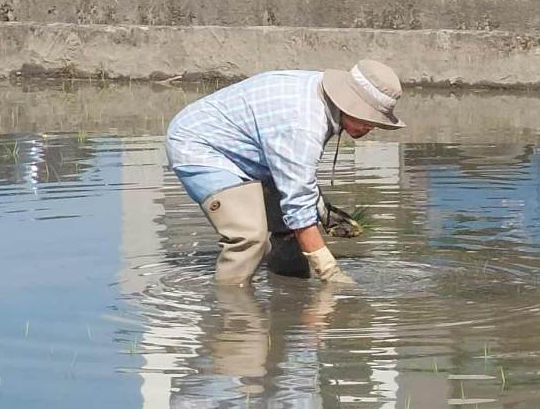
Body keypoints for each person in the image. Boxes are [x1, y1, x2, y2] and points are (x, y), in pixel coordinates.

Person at [166, 60, 406, 285]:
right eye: (366, 119)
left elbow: (297, 177)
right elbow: (297, 199)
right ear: (346, 104)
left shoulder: (321, 101)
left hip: (252, 153)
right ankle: (233, 310)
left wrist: (322, 210)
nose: (369, 128)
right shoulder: (302, 123)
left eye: (374, 122)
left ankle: (288, 293)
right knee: (249, 237)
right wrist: (329, 271)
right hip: (200, 145)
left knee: (290, 229)